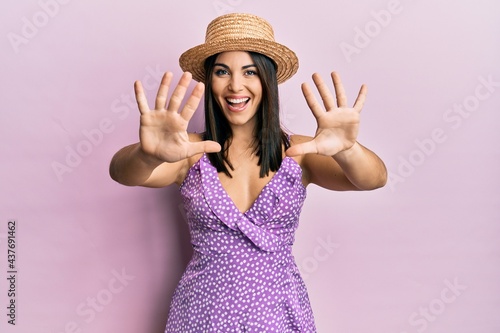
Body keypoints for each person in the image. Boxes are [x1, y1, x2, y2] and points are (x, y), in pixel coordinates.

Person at [109, 13, 387, 333]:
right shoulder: (188, 153)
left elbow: (372, 179)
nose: (235, 85)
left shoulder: (299, 153)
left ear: (267, 80)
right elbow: (123, 172)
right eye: (222, 71)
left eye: (250, 72)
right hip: (202, 317)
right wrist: (147, 155)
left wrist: (348, 149)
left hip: (280, 316)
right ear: (210, 80)